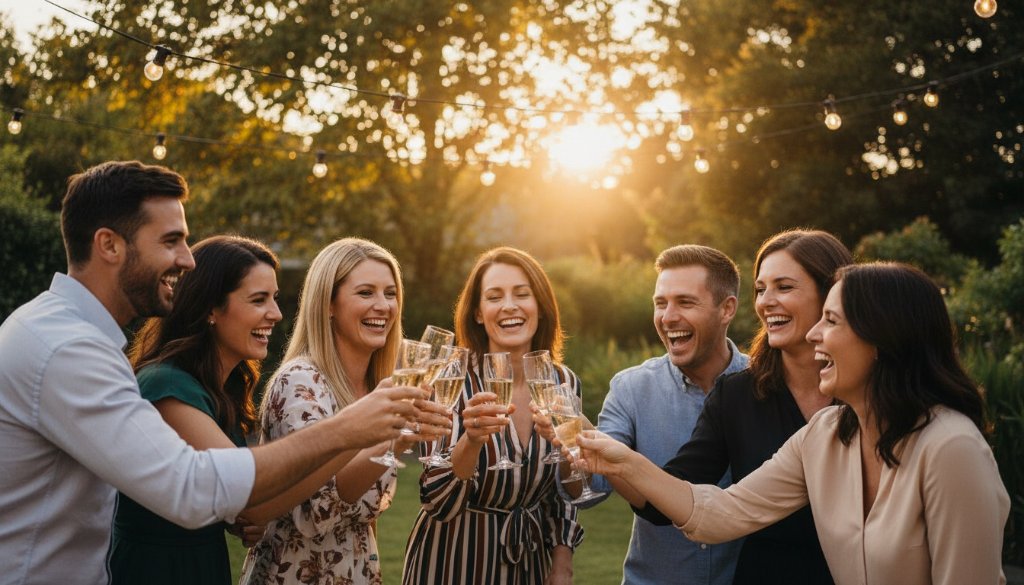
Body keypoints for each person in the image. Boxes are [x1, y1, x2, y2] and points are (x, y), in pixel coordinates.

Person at [0, 161, 429, 585]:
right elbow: (191, 485)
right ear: (109, 245)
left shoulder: (78, 338)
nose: (187, 259)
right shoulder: (69, 349)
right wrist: (351, 429)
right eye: (171, 241)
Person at [576, 262, 1010, 585]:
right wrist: (621, 463)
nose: (815, 334)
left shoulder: (950, 447)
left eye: (832, 320)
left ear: (882, 340)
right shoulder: (824, 436)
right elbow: (721, 513)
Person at [632, 230, 851, 585]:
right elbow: (669, 497)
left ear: (832, 295)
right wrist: (615, 458)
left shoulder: (868, 393)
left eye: (784, 286)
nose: (766, 302)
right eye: (761, 289)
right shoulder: (736, 396)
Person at [241, 237, 449, 584]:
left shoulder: (376, 387)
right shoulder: (301, 382)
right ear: (328, 305)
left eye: (390, 293)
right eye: (366, 292)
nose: (383, 305)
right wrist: (393, 438)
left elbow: (362, 512)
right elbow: (320, 506)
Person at [561, 244, 749, 585]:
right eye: (660, 303)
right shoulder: (630, 389)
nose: (668, 316)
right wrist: (568, 443)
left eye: (685, 302)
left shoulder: (766, 385)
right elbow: (592, 489)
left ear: (727, 309)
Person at [402, 246, 584, 585]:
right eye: (494, 296)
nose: (510, 306)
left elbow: (566, 492)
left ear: (540, 307)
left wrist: (563, 563)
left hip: (530, 567)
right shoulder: (450, 380)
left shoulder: (562, 382)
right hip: (452, 564)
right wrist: (471, 441)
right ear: (478, 313)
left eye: (522, 294)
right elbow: (438, 502)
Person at [108, 235, 283, 585]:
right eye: (258, 300)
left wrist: (236, 519)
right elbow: (244, 497)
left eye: (274, 298)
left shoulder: (222, 386)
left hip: (203, 561)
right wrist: (350, 436)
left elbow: (223, 502)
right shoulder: (165, 385)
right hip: (157, 569)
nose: (276, 314)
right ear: (210, 310)